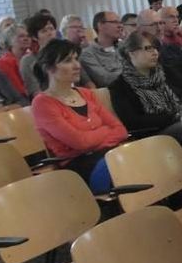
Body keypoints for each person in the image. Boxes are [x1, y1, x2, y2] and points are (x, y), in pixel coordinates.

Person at [31, 40, 127, 189]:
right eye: (68, 60)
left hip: (107, 154)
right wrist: (105, 131)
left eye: (76, 58)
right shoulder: (43, 103)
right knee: (125, 166)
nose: (77, 65)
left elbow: (120, 130)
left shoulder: (86, 94)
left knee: (140, 157)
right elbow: (80, 142)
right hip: (78, 166)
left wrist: (93, 141)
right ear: (48, 67)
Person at [108, 31, 182, 138]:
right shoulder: (120, 86)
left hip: (179, 121)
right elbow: (132, 122)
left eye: (156, 48)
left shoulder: (168, 72)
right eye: (148, 48)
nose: (155, 52)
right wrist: (173, 117)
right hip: (152, 134)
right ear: (131, 53)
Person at [80, 11, 125, 87]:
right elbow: (106, 80)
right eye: (115, 22)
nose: (120, 26)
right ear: (100, 25)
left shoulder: (124, 46)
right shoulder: (88, 54)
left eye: (120, 23)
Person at [19, 13, 59, 97]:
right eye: (44, 31)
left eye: (51, 29)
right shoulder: (28, 61)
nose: (49, 33)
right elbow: (36, 92)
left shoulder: (65, 54)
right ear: (34, 37)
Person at [0, 23, 31, 96]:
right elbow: (18, 90)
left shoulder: (31, 58)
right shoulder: (4, 62)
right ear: (10, 41)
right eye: (21, 36)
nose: (26, 38)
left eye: (28, 36)